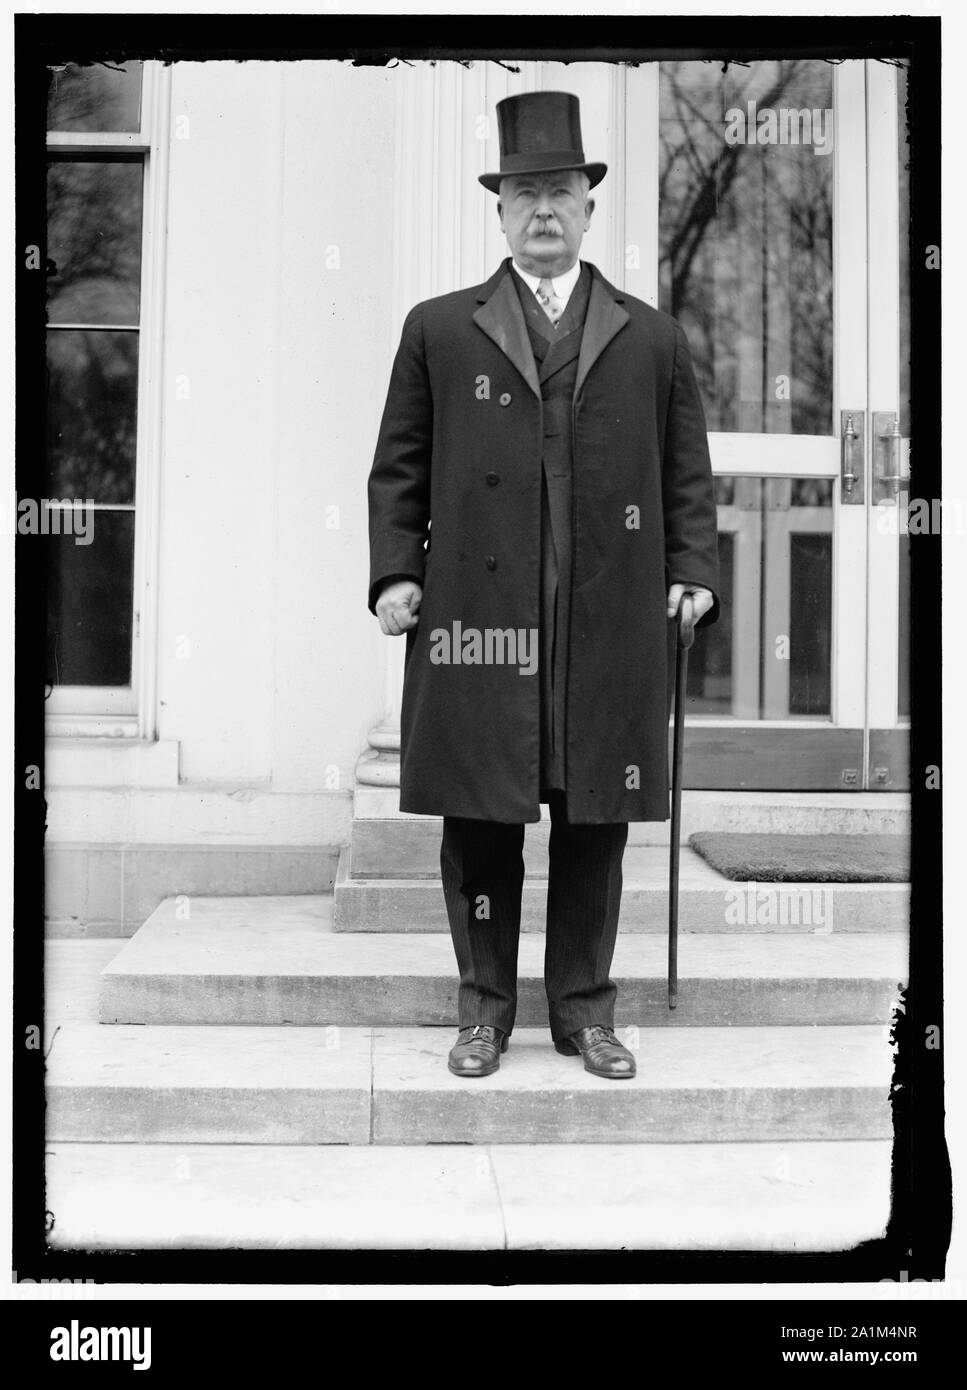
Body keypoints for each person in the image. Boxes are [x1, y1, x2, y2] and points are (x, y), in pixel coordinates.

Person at [368, 91, 719, 1080]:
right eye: (524, 193)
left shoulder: (650, 338)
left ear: (589, 205)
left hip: (605, 620)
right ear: (500, 209)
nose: (543, 211)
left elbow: (686, 473)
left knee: (595, 821)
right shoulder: (439, 330)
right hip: (482, 623)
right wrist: (395, 571)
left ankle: (584, 1013)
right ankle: (483, 1010)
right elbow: (397, 466)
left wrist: (692, 570)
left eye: (559, 190)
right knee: (481, 820)